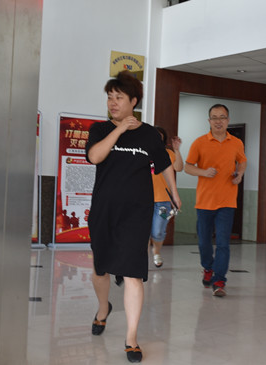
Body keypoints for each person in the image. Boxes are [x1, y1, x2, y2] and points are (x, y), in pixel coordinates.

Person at [85, 71, 181, 363]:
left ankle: (131, 338)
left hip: (137, 213)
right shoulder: (100, 129)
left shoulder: (149, 134)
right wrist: (119, 130)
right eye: (109, 98)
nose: (113, 103)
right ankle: (104, 308)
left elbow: (164, 164)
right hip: (104, 210)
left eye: (119, 98)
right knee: (100, 269)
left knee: (133, 274)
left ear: (134, 101)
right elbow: (94, 157)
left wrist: (175, 193)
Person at [184, 104, 247, 297]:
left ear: (228, 120)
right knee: (204, 242)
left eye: (222, 117)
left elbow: (242, 161)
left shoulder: (236, 142)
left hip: (227, 201)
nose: (218, 121)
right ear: (209, 121)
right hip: (204, 202)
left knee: (223, 243)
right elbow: (188, 167)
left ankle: (219, 280)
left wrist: (240, 175)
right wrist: (203, 172)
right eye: (214, 117)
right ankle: (208, 267)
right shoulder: (199, 142)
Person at [150, 127, 184, 268]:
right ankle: (140, 260)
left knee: (158, 231)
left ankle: (156, 252)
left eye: (160, 137)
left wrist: (177, 150)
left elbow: (179, 168)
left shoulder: (168, 154)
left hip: (163, 202)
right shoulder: (143, 152)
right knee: (142, 232)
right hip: (143, 201)